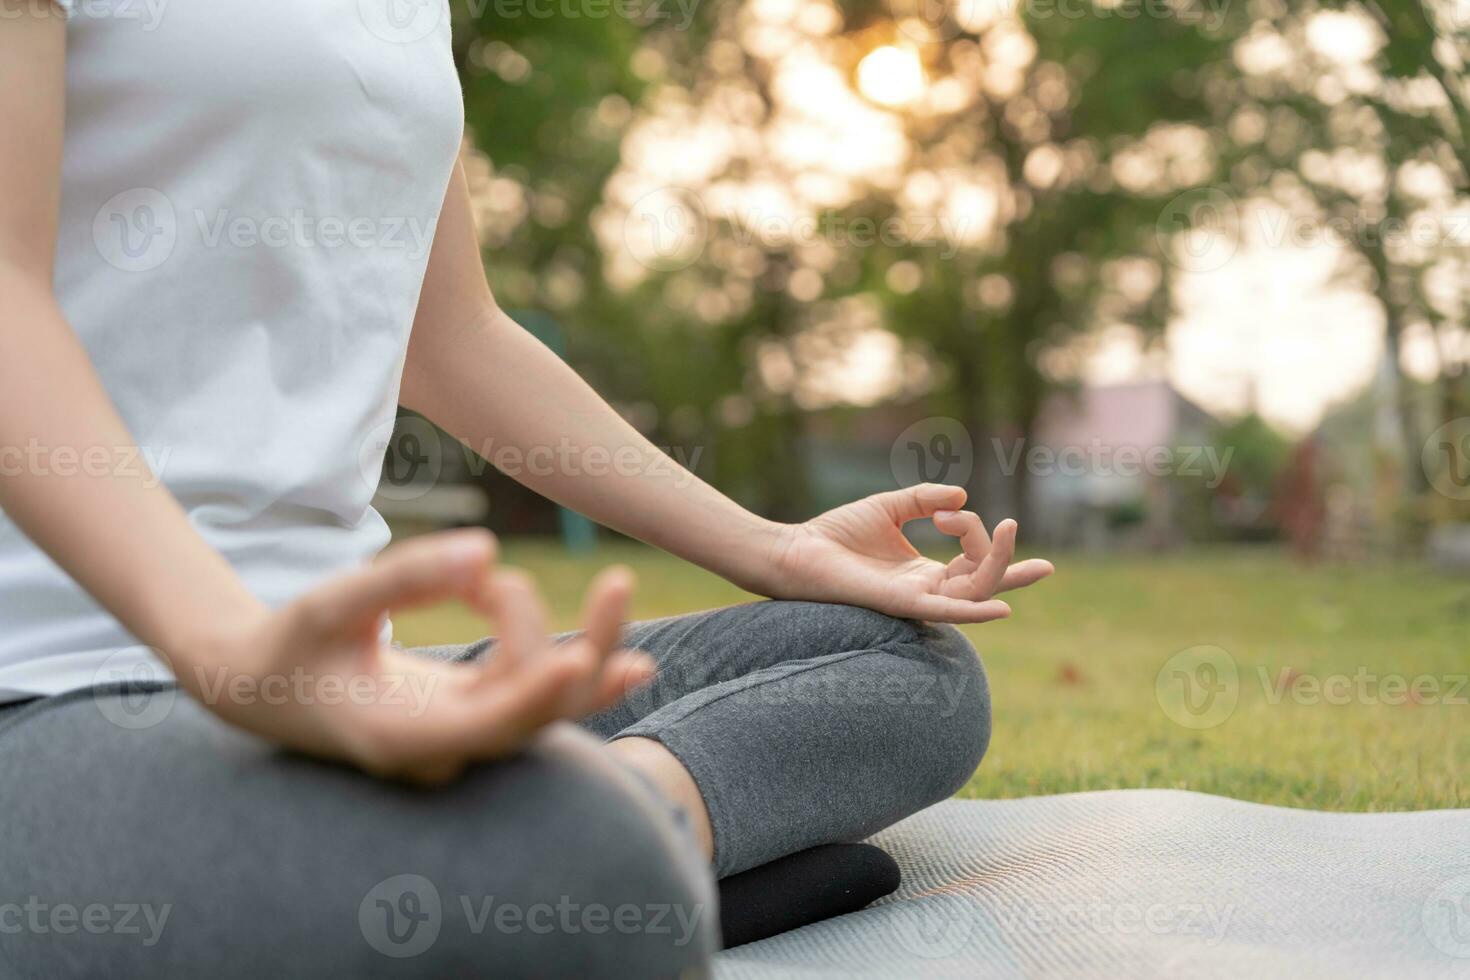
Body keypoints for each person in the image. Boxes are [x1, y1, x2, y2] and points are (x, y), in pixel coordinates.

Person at [0, 3, 1053, 976]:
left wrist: (773, 548)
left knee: (904, 670)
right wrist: (234, 652)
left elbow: (452, 336)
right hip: (49, 688)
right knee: (580, 853)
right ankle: (613, 859)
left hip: (356, 679)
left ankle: (616, 836)